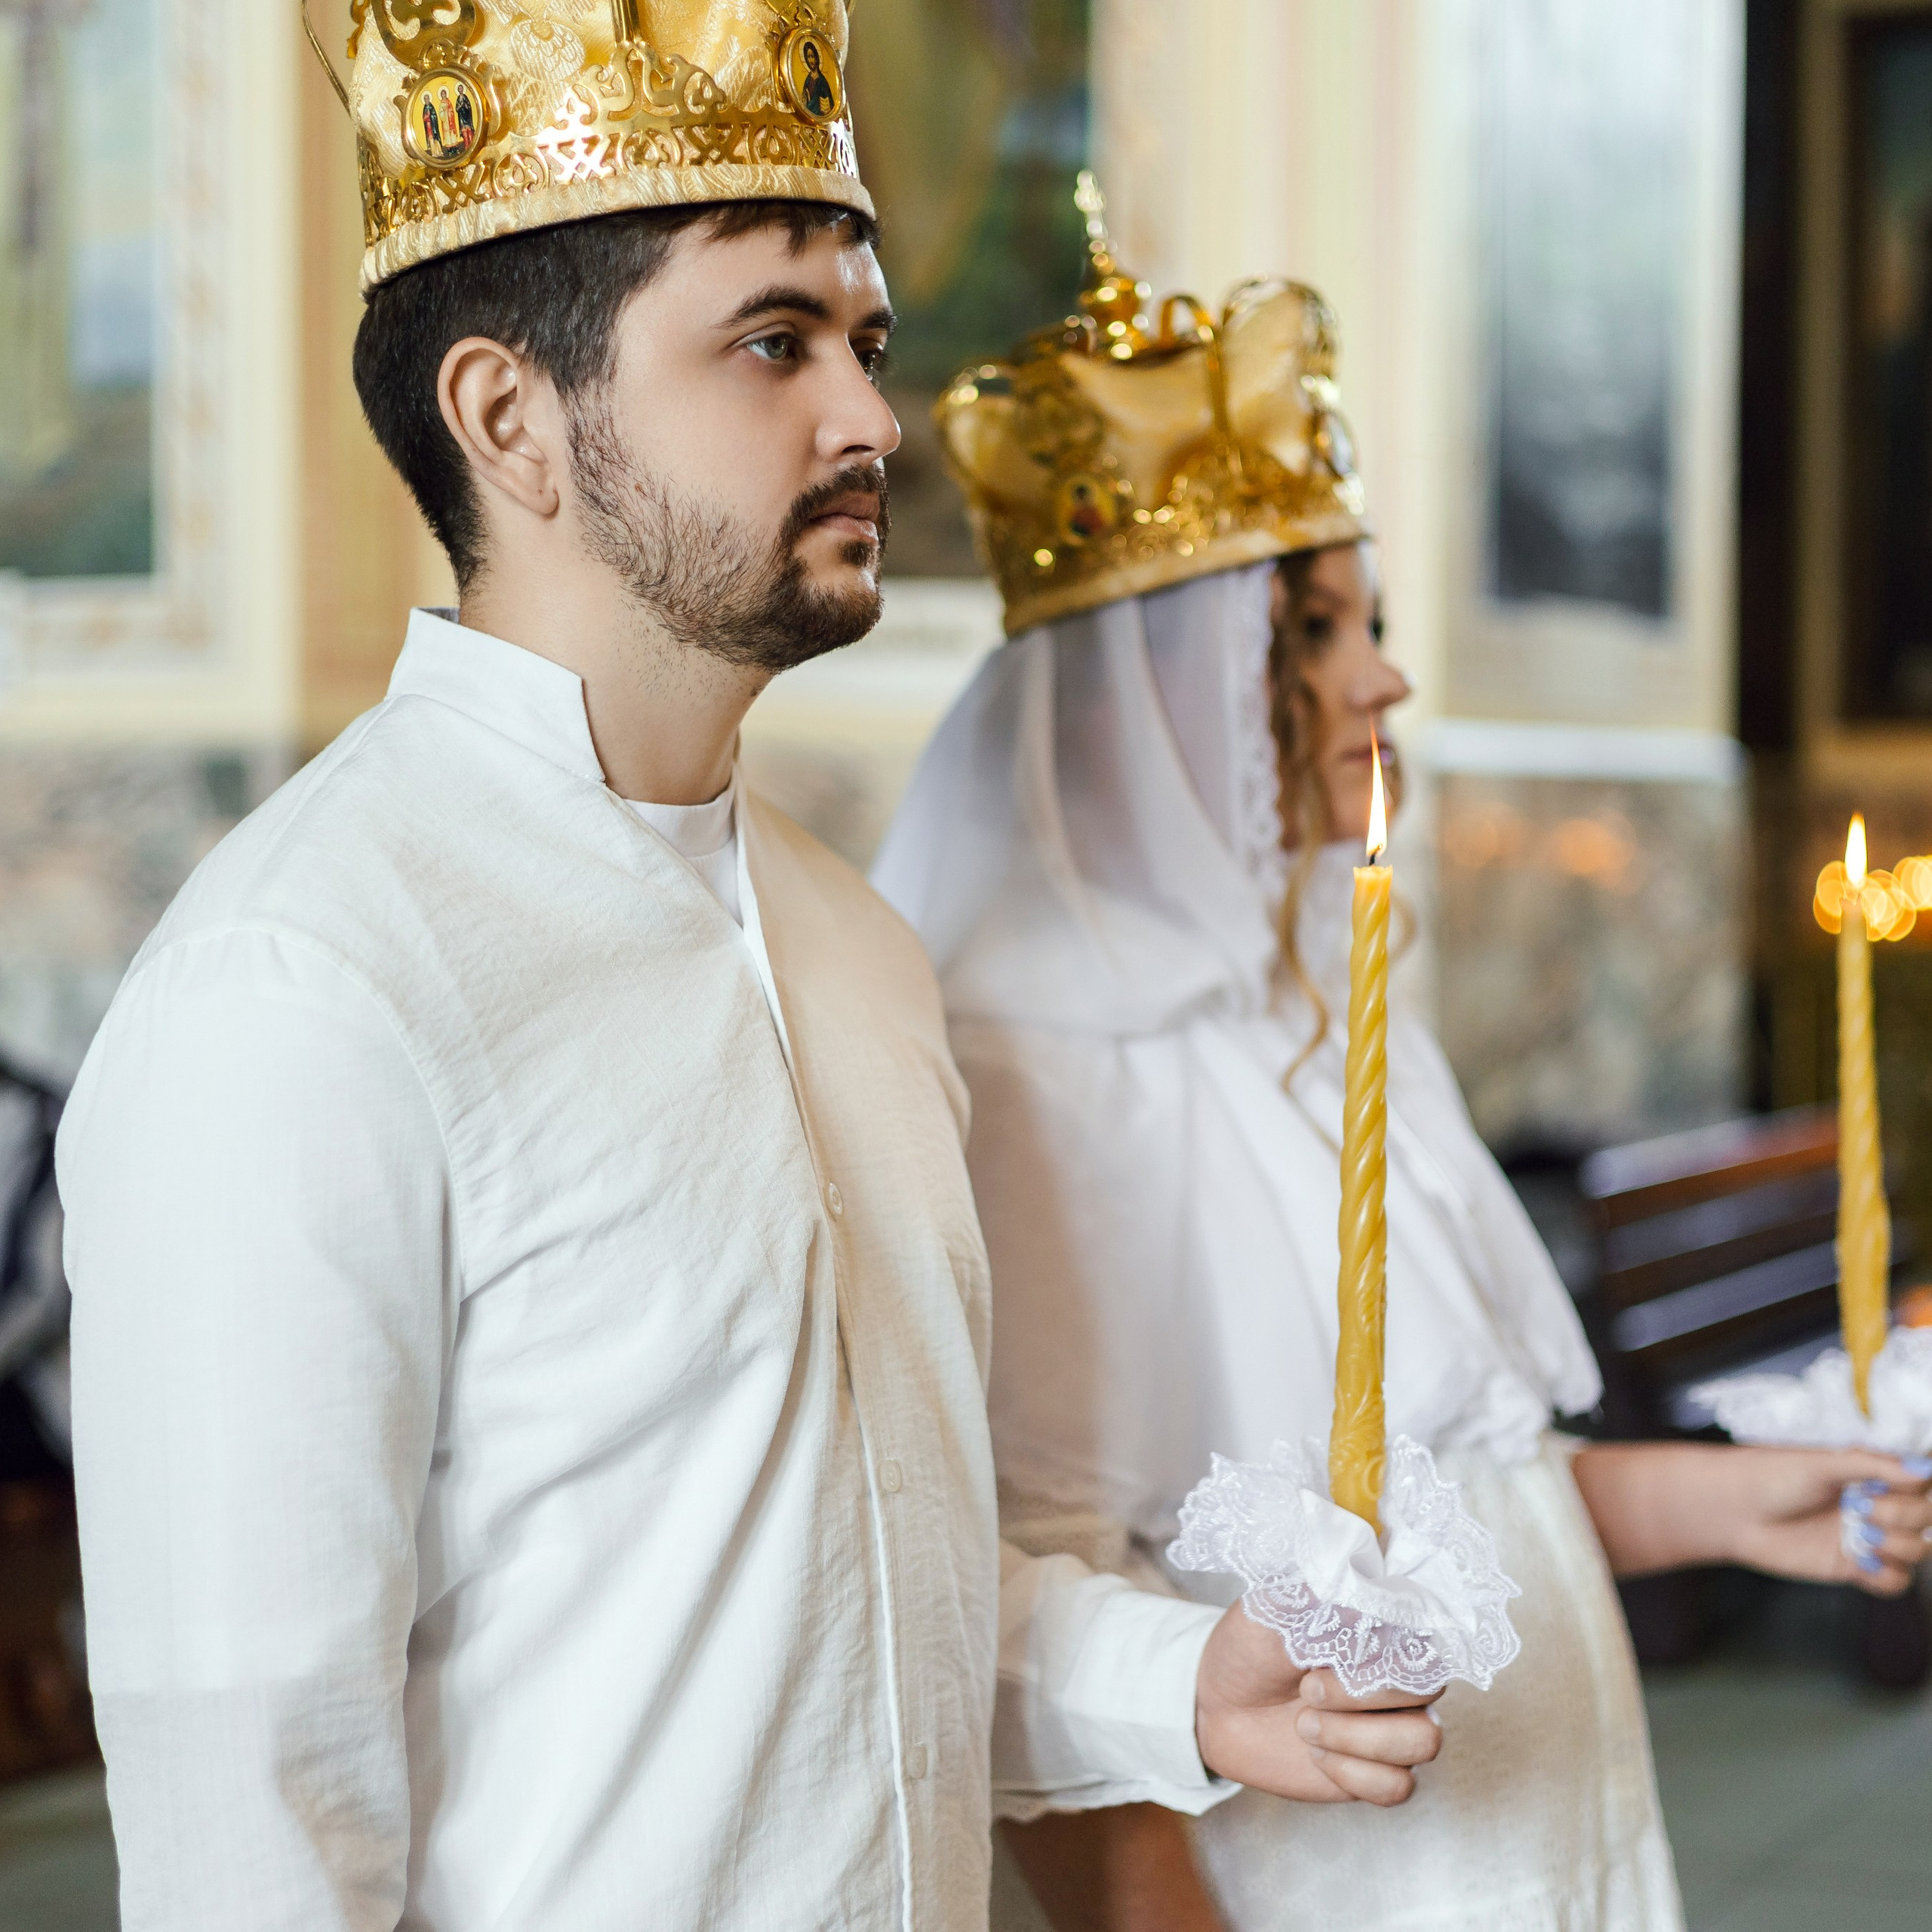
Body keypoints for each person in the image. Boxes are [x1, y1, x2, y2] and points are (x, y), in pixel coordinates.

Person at [59, 13, 1442, 1931]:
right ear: (507, 419)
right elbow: (253, 1808)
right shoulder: (300, 991)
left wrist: (1181, 1681)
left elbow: (872, 1587)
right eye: (772, 343)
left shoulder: (854, 950)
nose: (872, 417)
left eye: (863, 345)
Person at [872, 216, 1932, 1930]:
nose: (1385, 673)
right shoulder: (1042, 1059)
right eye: (1307, 630)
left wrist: (1738, 1501)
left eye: (1365, 616)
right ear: (1145, 691)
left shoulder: (1313, 998)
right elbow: (1040, 1652)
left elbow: (1456, 1491)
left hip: (1544, 1856)